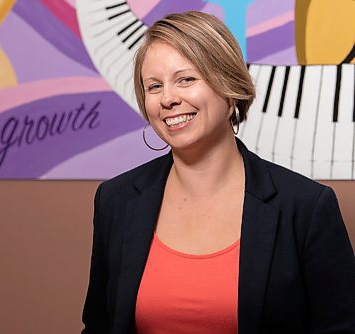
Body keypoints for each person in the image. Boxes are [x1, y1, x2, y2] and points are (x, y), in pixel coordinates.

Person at [81, 11, 355, 334]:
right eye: (154, 86)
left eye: (186, 79)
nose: (168, 99)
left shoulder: (307, 208)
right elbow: (98, 326)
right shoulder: (116, 200)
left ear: (229, 87)